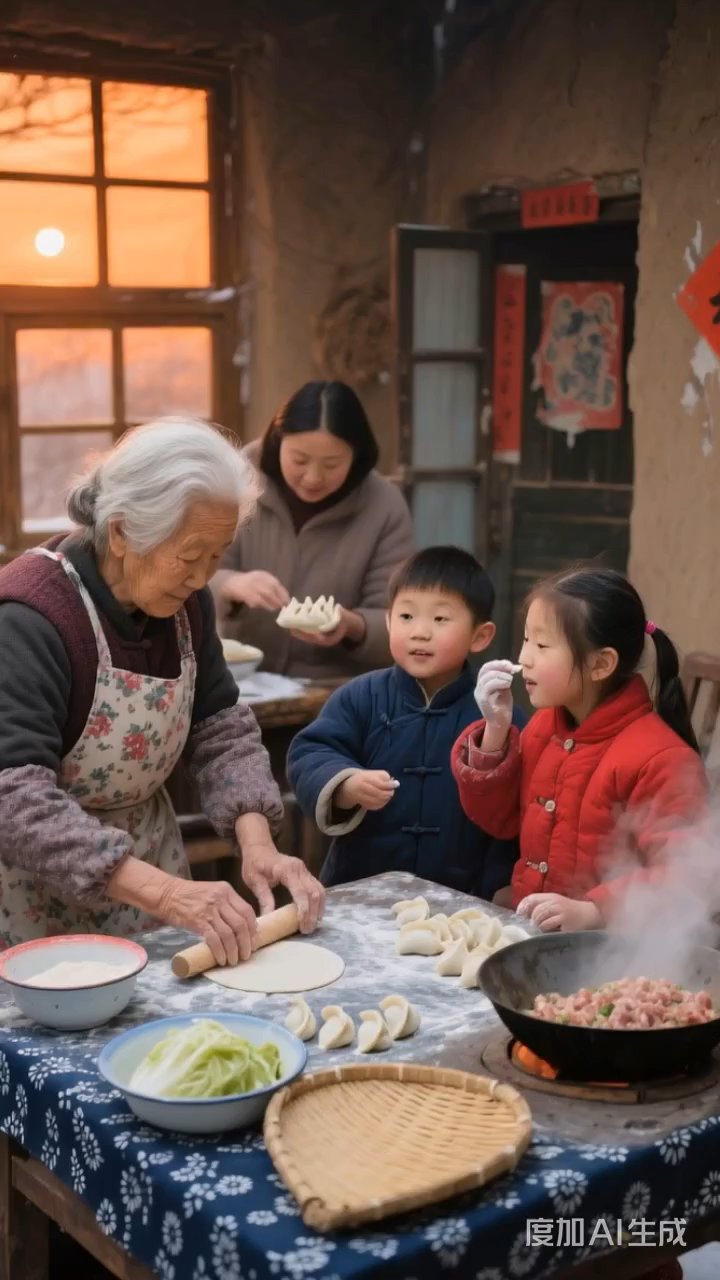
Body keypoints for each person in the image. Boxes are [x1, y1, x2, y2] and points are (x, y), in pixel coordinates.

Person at [0, 418, 324, 961]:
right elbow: (12, 796)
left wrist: (258, 845)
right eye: (190, 555)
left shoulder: (185, 604)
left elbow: (219, 729)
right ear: (122, 532)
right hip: (30, 901)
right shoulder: (30, 618)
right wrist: (169, 893)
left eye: (217, 556)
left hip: (151, 879)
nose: (201, 578)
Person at [451, 567, 707, 932]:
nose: (525, 658)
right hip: (532, 933)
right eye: (526, 639)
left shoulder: (662, 759)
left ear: (601, 664)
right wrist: (495, 731)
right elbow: (499, 820)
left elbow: (688, 877)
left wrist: (594, 912)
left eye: (542, 646)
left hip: (614, 949)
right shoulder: (543, 728)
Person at [286, 546, 524, 897]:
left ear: (480, 636)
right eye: (407, 616)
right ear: (387, 621)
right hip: (361, 890)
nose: (420, 632)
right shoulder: (360, 696)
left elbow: (516, 808)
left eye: (440, 619)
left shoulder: (498, 713)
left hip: (461, 896)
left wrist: (502, 885)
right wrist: (346, 784)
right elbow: (311, 752)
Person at [213, 380, 414, 679]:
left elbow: (402, 620)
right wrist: (230, 584)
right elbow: (190, 577)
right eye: (299, 460)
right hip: (239, 681)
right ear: (277, 441)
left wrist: (352, 625)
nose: (313, 477)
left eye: (331, 464)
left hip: (337, 690)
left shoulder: (384, 506)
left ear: (356, 455)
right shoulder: (235, 481)